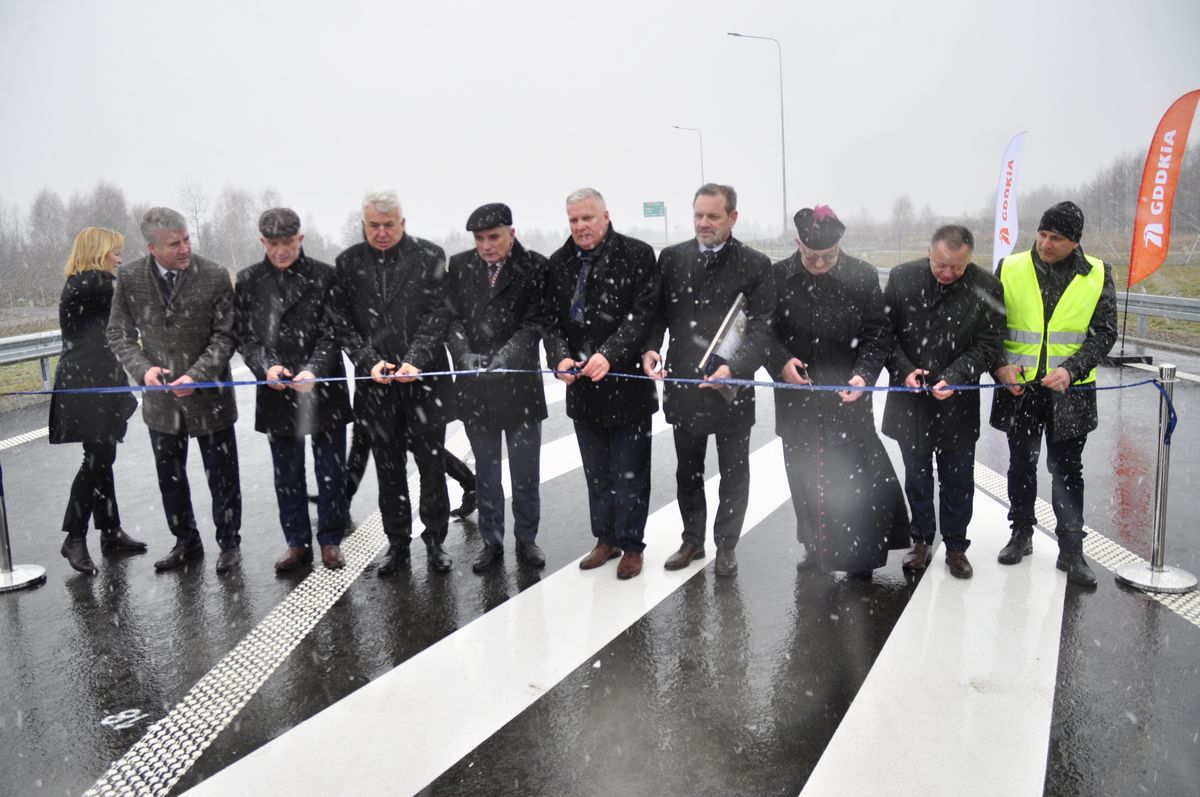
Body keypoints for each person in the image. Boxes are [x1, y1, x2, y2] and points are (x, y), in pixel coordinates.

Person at [770, 205, 909, 578]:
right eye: (810, 255)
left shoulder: (861, 276)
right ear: (796, 242)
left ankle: (859, 556)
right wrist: (781, 362)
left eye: (828, 256)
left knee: (853, 482)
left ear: (840, 245)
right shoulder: (778, 277)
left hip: (848, 397)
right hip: (796, 398)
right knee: (804, 477)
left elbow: (878, 333)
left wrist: (863, 376)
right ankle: (814, 545)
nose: (818, 263)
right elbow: (762, 333)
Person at [642, 184, 773, 577]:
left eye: (713, 216)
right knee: (688, 470)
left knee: (734, 471)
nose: (704, 223)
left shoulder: (755, 264)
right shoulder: (671, 259)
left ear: (733, 218)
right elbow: (656, 314)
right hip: (685, 384)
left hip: (732, 388)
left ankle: (727, 546)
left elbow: (764, 330)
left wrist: (736, 368)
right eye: (698, 215)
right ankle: (692, 540)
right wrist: (650, 348)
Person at [106, 207, 242, 574]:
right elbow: (118, 332)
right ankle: (186, 541)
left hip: (210, 398)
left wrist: (197, 374)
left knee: (223, 476)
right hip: (161, 404)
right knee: (171, 477)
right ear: (152, 247)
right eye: (174, 244)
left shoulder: (213, 275)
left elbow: (226, 334)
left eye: (186, 240)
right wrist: (143, 369)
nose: (184, 249)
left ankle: (229, 543)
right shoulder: (130, 277)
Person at [327, 189, 454, 574]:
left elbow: (438, 315)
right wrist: (369, 362)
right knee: (389, 471)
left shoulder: (429, 256)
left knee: (431, 468)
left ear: (403, 223)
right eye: (373, 226)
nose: (381, 233)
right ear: (364, 225)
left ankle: (435, 542)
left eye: (388, 225)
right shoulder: (347, 263)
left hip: (424, 384)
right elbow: (342, 322)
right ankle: (398, 544)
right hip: (376, 388)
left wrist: (415, 359)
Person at [991, 201, 1117, 588]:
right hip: (1022, 388)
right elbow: (990, 326)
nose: (1046, 243)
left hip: (1071, 392)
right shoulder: (1010, 268)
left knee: (1067, 471)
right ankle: (1021, 534)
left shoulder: (1097, 274)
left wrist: (1071, 369)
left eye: (1056, 238)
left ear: (1075, 242)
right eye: (1042, 234)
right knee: (1021, 466)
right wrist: (999, 365)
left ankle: (1071, 550)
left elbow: (1105, 332)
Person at [544, 188, 660, 580]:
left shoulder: (637, 255)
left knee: (630, 472)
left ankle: (631, 545)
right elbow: (553, 322)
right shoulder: (558, 263)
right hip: (583, 389)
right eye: (574, 220)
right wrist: (559, 356)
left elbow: (642, 314)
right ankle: (605, 539)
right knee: (598, 474)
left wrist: (609, 353)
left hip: (626, 385)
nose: (580, 226)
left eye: (587, 218)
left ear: (605, 216)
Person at [883, 225, 1004, 580]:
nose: (948, 273)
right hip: (912, 401)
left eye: (957, 267)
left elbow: (989, 344)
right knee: (916, 477)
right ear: (929, 252)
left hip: (957, 402)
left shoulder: (987, 287)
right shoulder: (903, 278)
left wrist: (956, 375)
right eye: (940, 265)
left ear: (969, 258)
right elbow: (884, 335)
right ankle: (920, 541)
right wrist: (905, 370)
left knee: (958, 480)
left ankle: (955, 547)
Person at [235, 208, 352, 571]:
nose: (281, 251)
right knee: (287, 472)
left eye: (288, 243)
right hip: (276, 390)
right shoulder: (249, 280)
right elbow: (246, 337)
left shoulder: (325, 276)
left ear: (300, 239)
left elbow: (335, 332)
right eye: (273, 244)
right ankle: (297, 541)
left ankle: (330, 539)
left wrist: (314, 369)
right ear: (262, 243)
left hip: (322, 387)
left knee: (330, 468)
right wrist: (266, 366)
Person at [446, 203, 548, 572]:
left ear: (511, 233)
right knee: (487, 474)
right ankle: (491, 542)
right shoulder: (459, 267)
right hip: (475, 389)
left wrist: (504, 357)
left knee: (525, 475)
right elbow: (452, 319)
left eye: (493, 237)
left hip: (520, 387)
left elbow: (535, 322)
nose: (486, 245)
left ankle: (527, 539)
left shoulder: (535, 266)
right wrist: (464, 355)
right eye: (479, 239)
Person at [50, 227, 142, 574]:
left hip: (93, 378)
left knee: (102, 455)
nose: (120, 257)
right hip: (87, 382)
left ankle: (110, 531)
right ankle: (74, 536)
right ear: (99, 252)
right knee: (98, 457)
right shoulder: (92, 283)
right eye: (115, 251)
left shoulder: (85, 283)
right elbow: (135, 293)